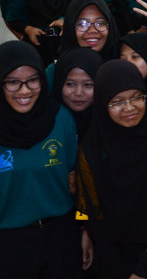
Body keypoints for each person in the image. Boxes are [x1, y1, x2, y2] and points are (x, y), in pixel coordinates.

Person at [76, 59, 147, 278]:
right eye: (116, 102)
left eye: (137, 97)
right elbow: (93, 217)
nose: (129, 108)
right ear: (102, 103)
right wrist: (125, 272)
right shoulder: (93, 149)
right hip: (116, 259)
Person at [0, 41, 81, 277]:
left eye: (33, 80)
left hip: (62, 236)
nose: (24, 91)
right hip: (9, 245)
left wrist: (85, 228)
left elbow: (81, 185)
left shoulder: (61, 119)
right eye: (13, 82)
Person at [52, 47, 103, 141]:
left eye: (88, 85)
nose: (78, 93)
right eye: (70, 84)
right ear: (59, 83)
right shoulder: (48, 122)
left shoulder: (109, 123)